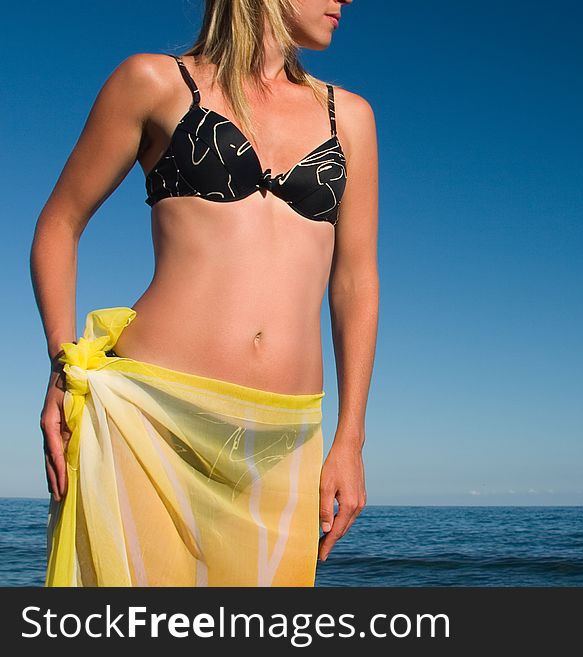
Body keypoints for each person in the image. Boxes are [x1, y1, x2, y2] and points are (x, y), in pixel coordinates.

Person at [29, 0, 377, 586]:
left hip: (282, 433)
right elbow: (59, 225)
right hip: (149, 416)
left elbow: (355, 281)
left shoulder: (351, 116)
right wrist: (64, 361)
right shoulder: (153, 82)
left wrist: (350, 438)